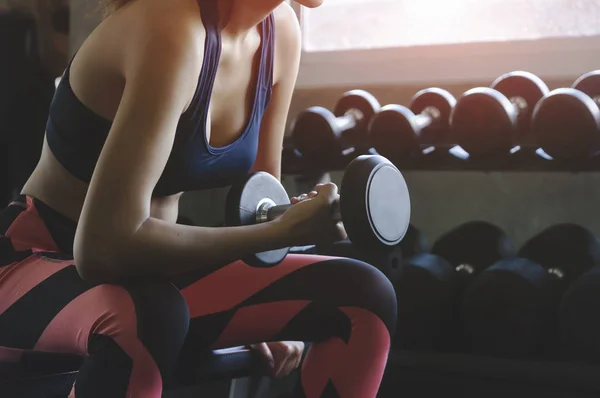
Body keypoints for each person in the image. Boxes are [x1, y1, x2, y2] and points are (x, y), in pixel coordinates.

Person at [0, 0, 398, 397]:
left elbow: (262, 205)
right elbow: (104, 249)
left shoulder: (281, 32)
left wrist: (259, 298)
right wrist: (277, 235)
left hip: (151, 275)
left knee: (363, 295)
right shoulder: (171, 26)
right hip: (32, 264)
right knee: (149, 314)